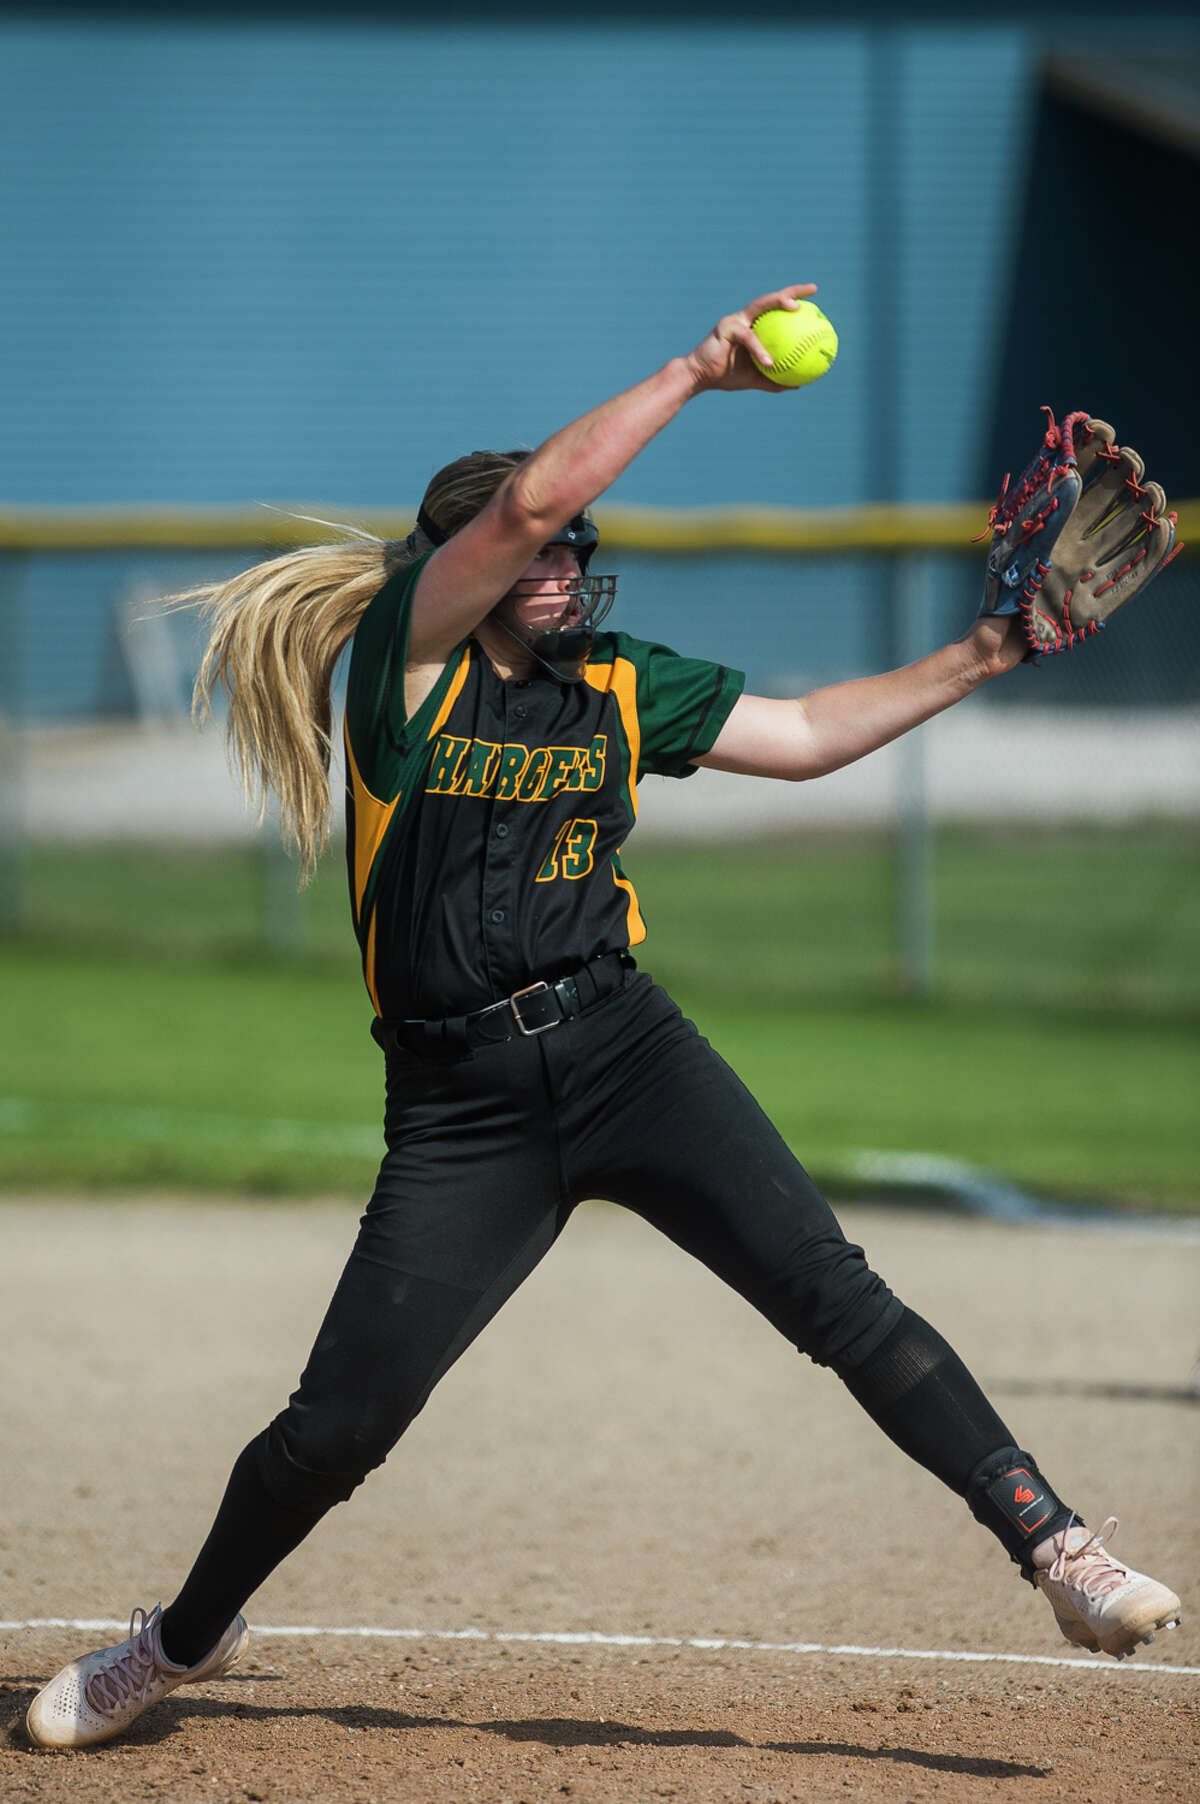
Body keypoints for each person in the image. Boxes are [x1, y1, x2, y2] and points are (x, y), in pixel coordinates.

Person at [26, 283, 1181, 1750]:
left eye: (582, 547)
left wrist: (996, 650)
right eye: (548, 543)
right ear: (464, 563)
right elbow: (515, 512)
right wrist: (704, 366)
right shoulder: (409, 673)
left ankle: (1061, 1552)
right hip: (462, 1111)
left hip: (628, 1051)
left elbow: (814, 735)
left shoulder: (623, 688)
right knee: (339, 1431)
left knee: (839, 1297)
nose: (571, 559)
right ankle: (175, 1644)